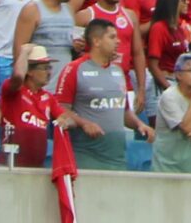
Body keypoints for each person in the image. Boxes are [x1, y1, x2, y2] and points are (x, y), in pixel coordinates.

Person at [57, 19, 142, 171]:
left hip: (117, 158)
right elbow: (59, 108)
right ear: (96, 41)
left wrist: (139, 124)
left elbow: (124, 112)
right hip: (86, 156)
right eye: (112, 37)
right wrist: (84, 123)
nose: (118, 41)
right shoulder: (74, 69)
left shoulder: (118, 71)